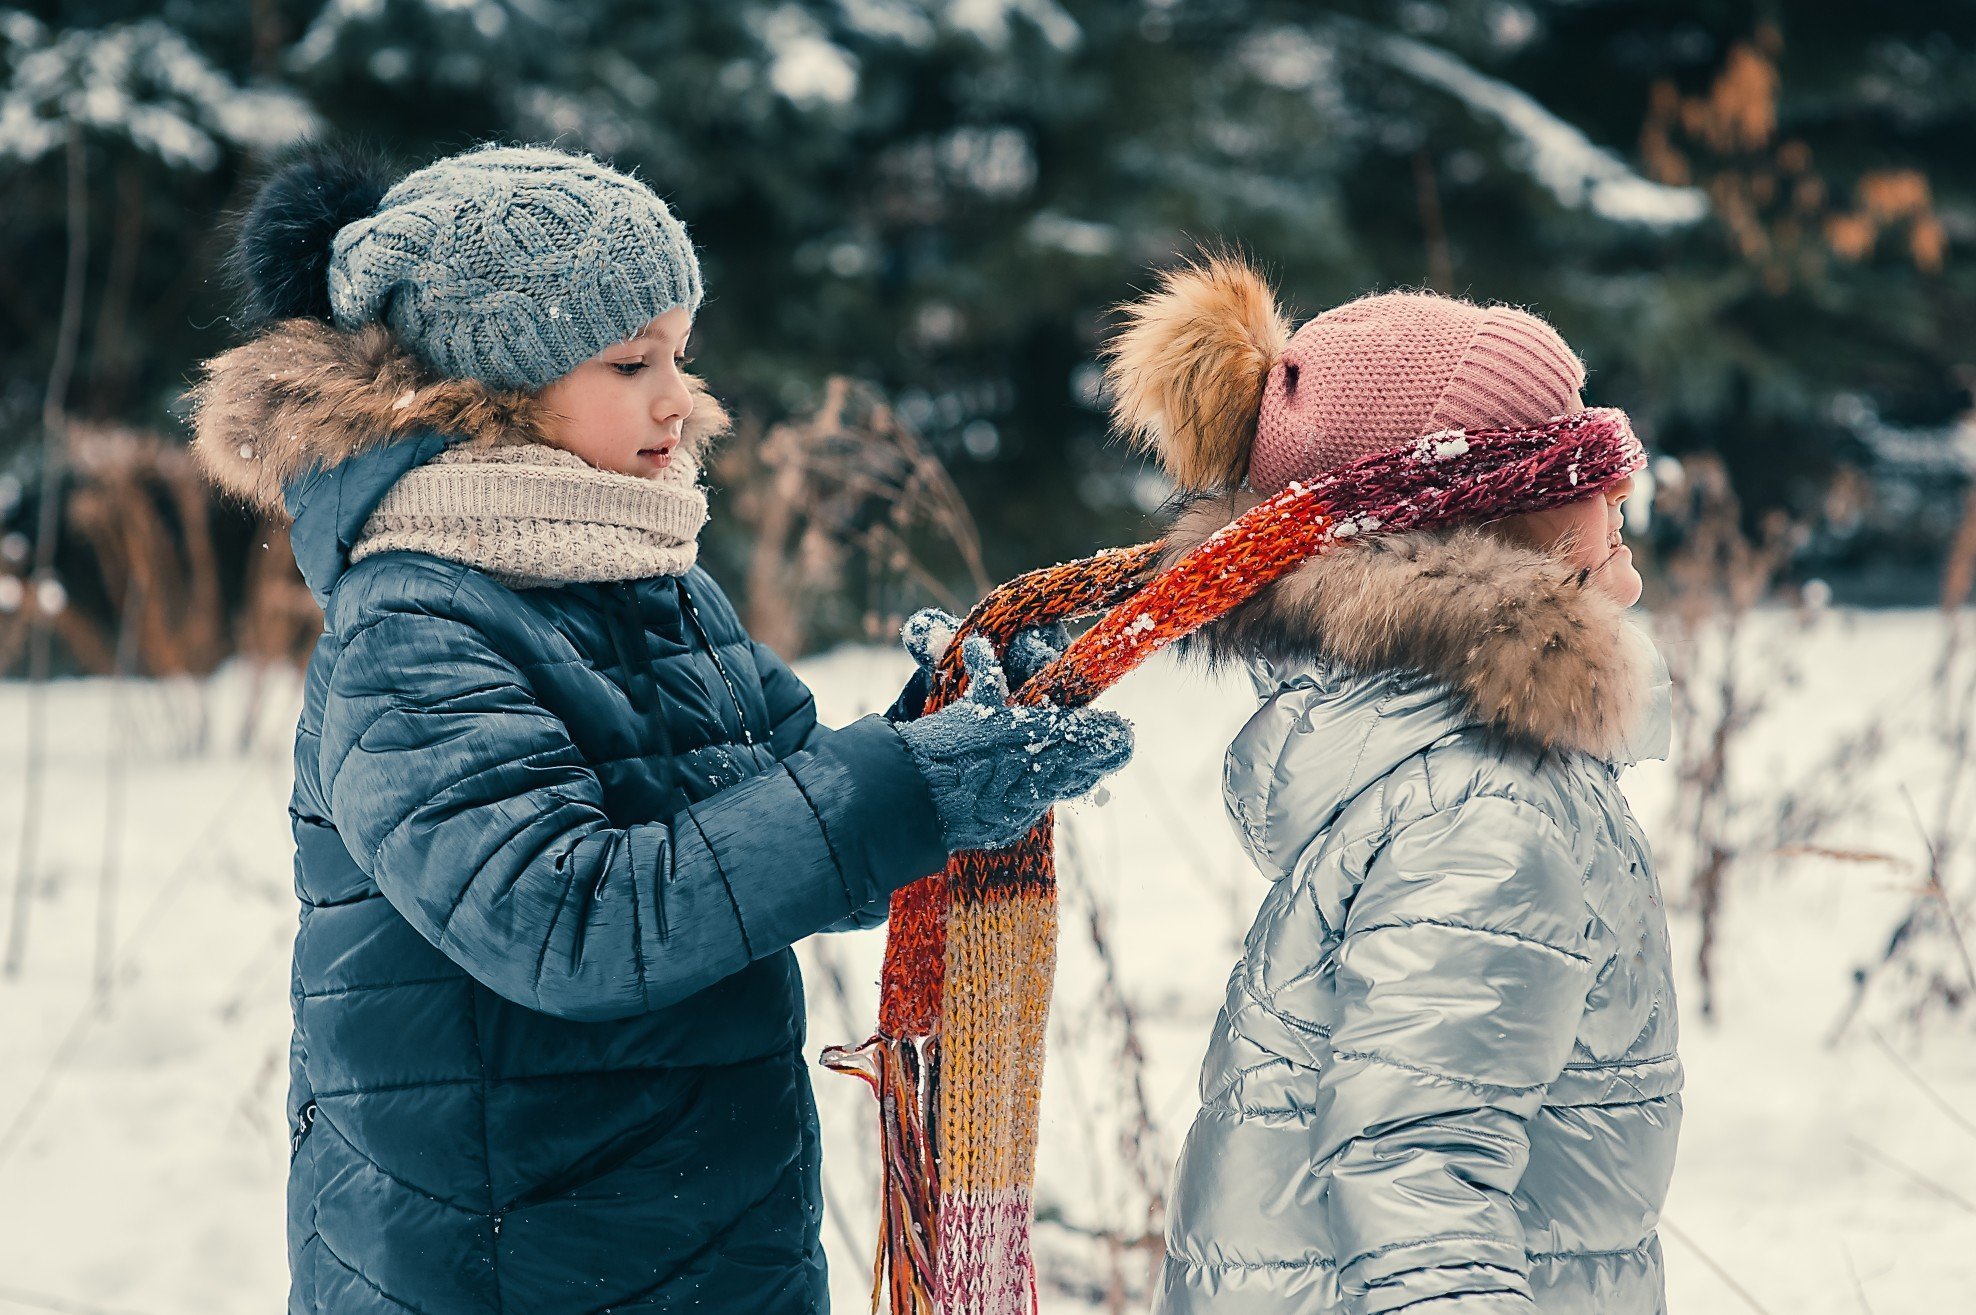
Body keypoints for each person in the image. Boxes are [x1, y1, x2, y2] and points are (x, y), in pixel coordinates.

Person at [187, 143, 1132, 1315]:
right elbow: (567, 918)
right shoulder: (414, 629)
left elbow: (778, 826)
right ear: (489, 388)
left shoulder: (649, 576)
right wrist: (902, 791)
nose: (676, 399)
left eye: (679, 355)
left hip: (705, 1231)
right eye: (630, 360)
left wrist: (944, 738)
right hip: (504, 1261)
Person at [1104, 257, 1680, 1314]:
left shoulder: (1437, 776)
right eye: (1600, 517)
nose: (1627, 572)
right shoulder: (1486, 811)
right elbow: (1416, 1184)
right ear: (1498, 536)